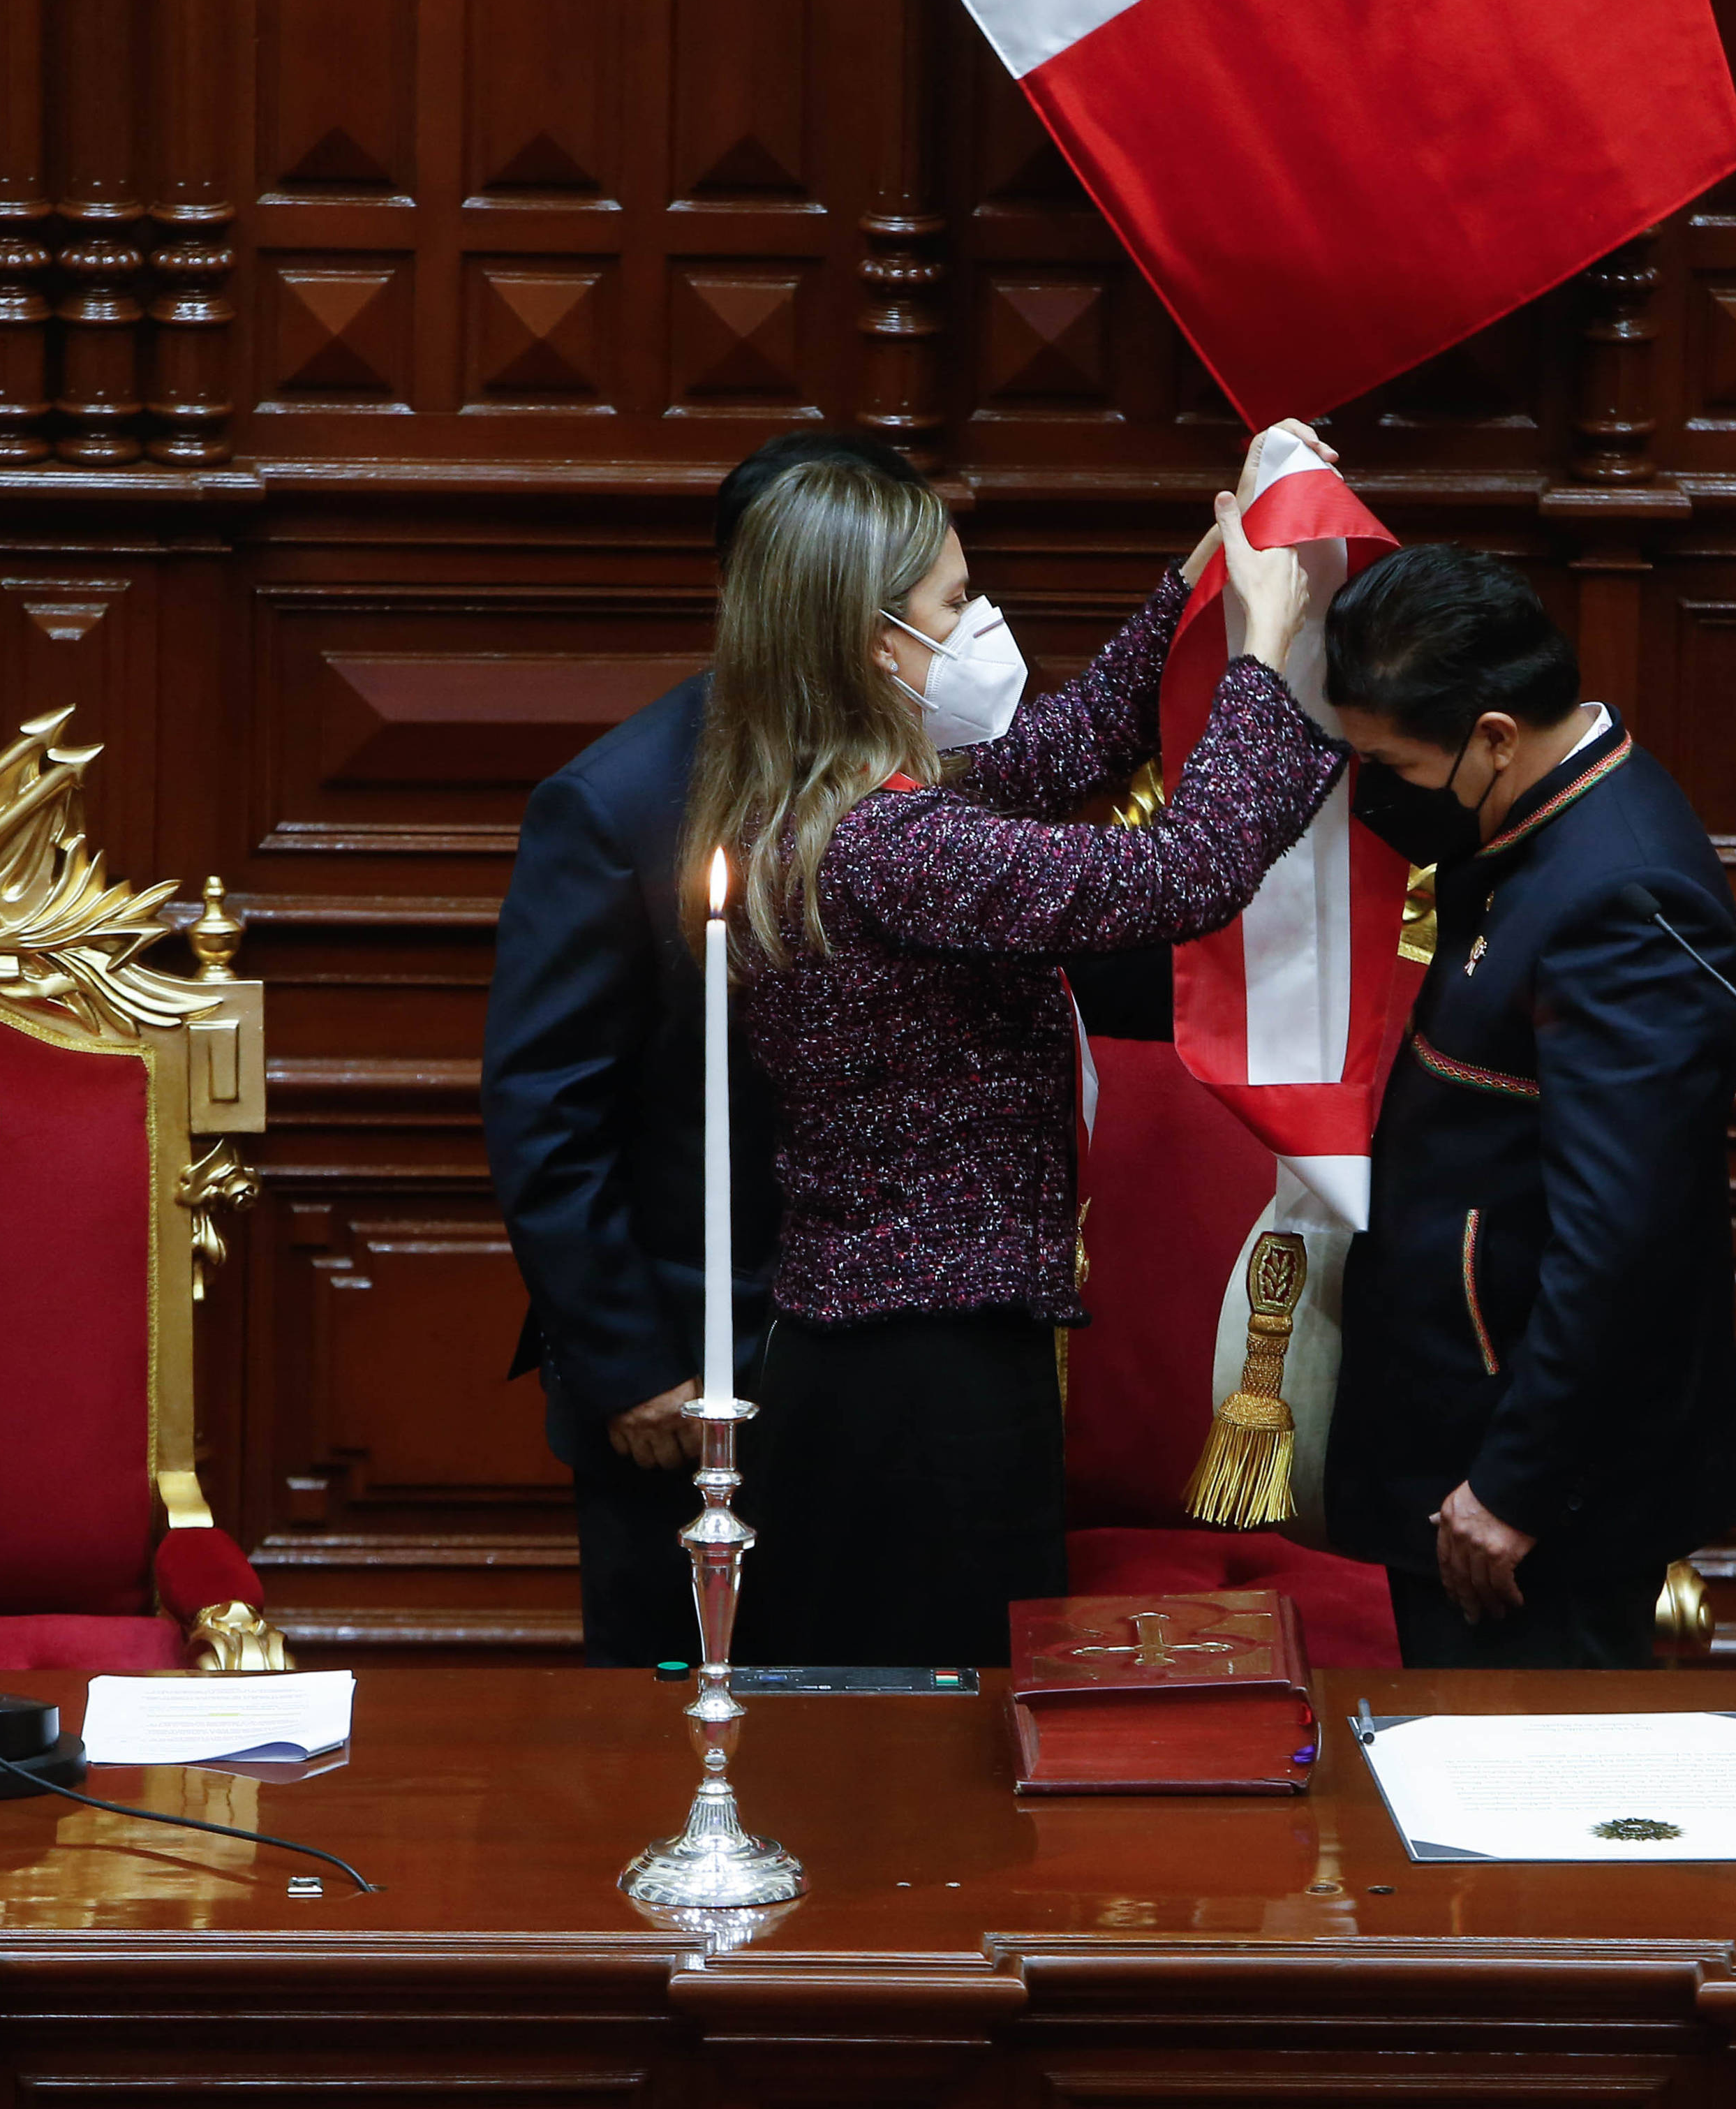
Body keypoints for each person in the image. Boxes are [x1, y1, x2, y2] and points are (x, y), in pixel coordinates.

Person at [692, 447, 1339, 1668]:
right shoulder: (892, 843)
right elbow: (1181, 874)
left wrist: (1203, 569)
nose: (979, 624)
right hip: (921, 1387)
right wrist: (1258, 653)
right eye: (952, 604)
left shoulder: (828, 802)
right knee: (944, 1751)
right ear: (876, 643)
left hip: (876, 1352)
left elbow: (1071, 748)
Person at [483, 431, 929, 1669]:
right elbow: (546, 1108)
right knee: (675, 1725)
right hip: (684, 1382)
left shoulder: (933, 777)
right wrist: (629, 1363)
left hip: (881, 1370)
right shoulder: (617, 801)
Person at [1320, 543, 1736, 1667]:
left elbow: (1621, 1240)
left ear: (1496, 736)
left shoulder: (1624, 895)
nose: (1380, 795)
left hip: (1525, 1493)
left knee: (1523, 1817)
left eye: (1399, 766)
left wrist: (1514, 1485)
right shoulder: (1534, 824)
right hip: (1454, 1429)